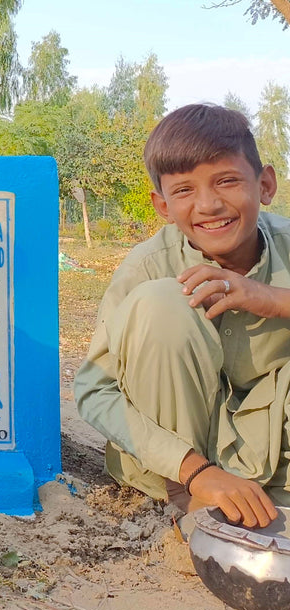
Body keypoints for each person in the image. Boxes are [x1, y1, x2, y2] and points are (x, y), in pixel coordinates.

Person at [74, 103, 289, 531]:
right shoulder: (146, 266)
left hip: (272, 455)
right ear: (163, 205)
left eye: (226, 181)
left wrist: (269, 298)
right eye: (185, 190)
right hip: (172, 465)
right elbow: (94, 392)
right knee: (162, 301)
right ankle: (189, 503)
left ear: (265, 184)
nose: (208, 204)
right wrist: (194, 472)